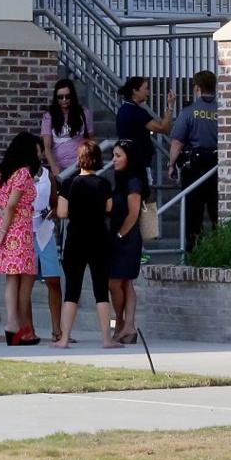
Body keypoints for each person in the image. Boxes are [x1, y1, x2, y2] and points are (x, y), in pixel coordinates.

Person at [54, 140, 118, 349]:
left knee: (72, 290)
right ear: (98, 160)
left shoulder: (69, 184)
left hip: (76, 240)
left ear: (79, 160)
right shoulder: (104, 184)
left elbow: (62, 213)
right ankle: (107, 339)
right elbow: (109, 208)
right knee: (101, 290)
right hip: (99, 238)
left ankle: (64, 339)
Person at [0, 131, 41, 346]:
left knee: (12, 278)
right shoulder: (23, 174)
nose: (40, 154)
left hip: (4, 226)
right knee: (26, 279)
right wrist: (7, 225)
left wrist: (1, 223)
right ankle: (19, 328)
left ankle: (15, 326)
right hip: (19, 230)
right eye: (37, 150)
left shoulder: (0, 172)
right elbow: (12, 204)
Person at [168, 70, 219, 251]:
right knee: (216, 208)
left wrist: (171, 164)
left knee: (193, 209)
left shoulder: (189, 111)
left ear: (197, 88)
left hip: (195, 165)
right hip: (218, 166)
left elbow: (177, 142)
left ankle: (193, 245)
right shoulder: (222, 110)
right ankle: (221, 243)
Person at [108, 139, 145, 343]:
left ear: (129, 158)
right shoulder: (120, 179)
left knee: (118, 281)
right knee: (120, 283)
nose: (114, 159)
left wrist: (120, 235)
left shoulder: (133, 181)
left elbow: (134, 213)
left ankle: (126, 324)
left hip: (128, 238)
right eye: (113, 155)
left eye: (118, 155)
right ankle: (125, 325)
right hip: (118, 236)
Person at [115, 76, 175, 200]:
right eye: (146, 89)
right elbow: (163, 128)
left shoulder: (122, 110)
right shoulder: (137, 112)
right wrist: (170, 107)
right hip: (139, 164)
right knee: (142, 199)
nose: (148, 92)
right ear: (135, 91)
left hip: (126, 162)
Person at [31, 160, 64, 343]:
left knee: (53, 280)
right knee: (25, 283)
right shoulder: (19, 174)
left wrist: (53, 211)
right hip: (25, 233)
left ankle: (57, 330)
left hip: (44, 231)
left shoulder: (46, 174)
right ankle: (27, 329)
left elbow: (55, 203)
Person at [40, 78, 94, 180]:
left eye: (67, 96)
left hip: (79, 166)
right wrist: (53, 166)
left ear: (72, 96)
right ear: (56, 98)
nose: (64, 100)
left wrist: (88, 160)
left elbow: (90, 139)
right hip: (59, 168)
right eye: (60, 97)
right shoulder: (49, 116)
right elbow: (46, 146)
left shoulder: (83, 113)